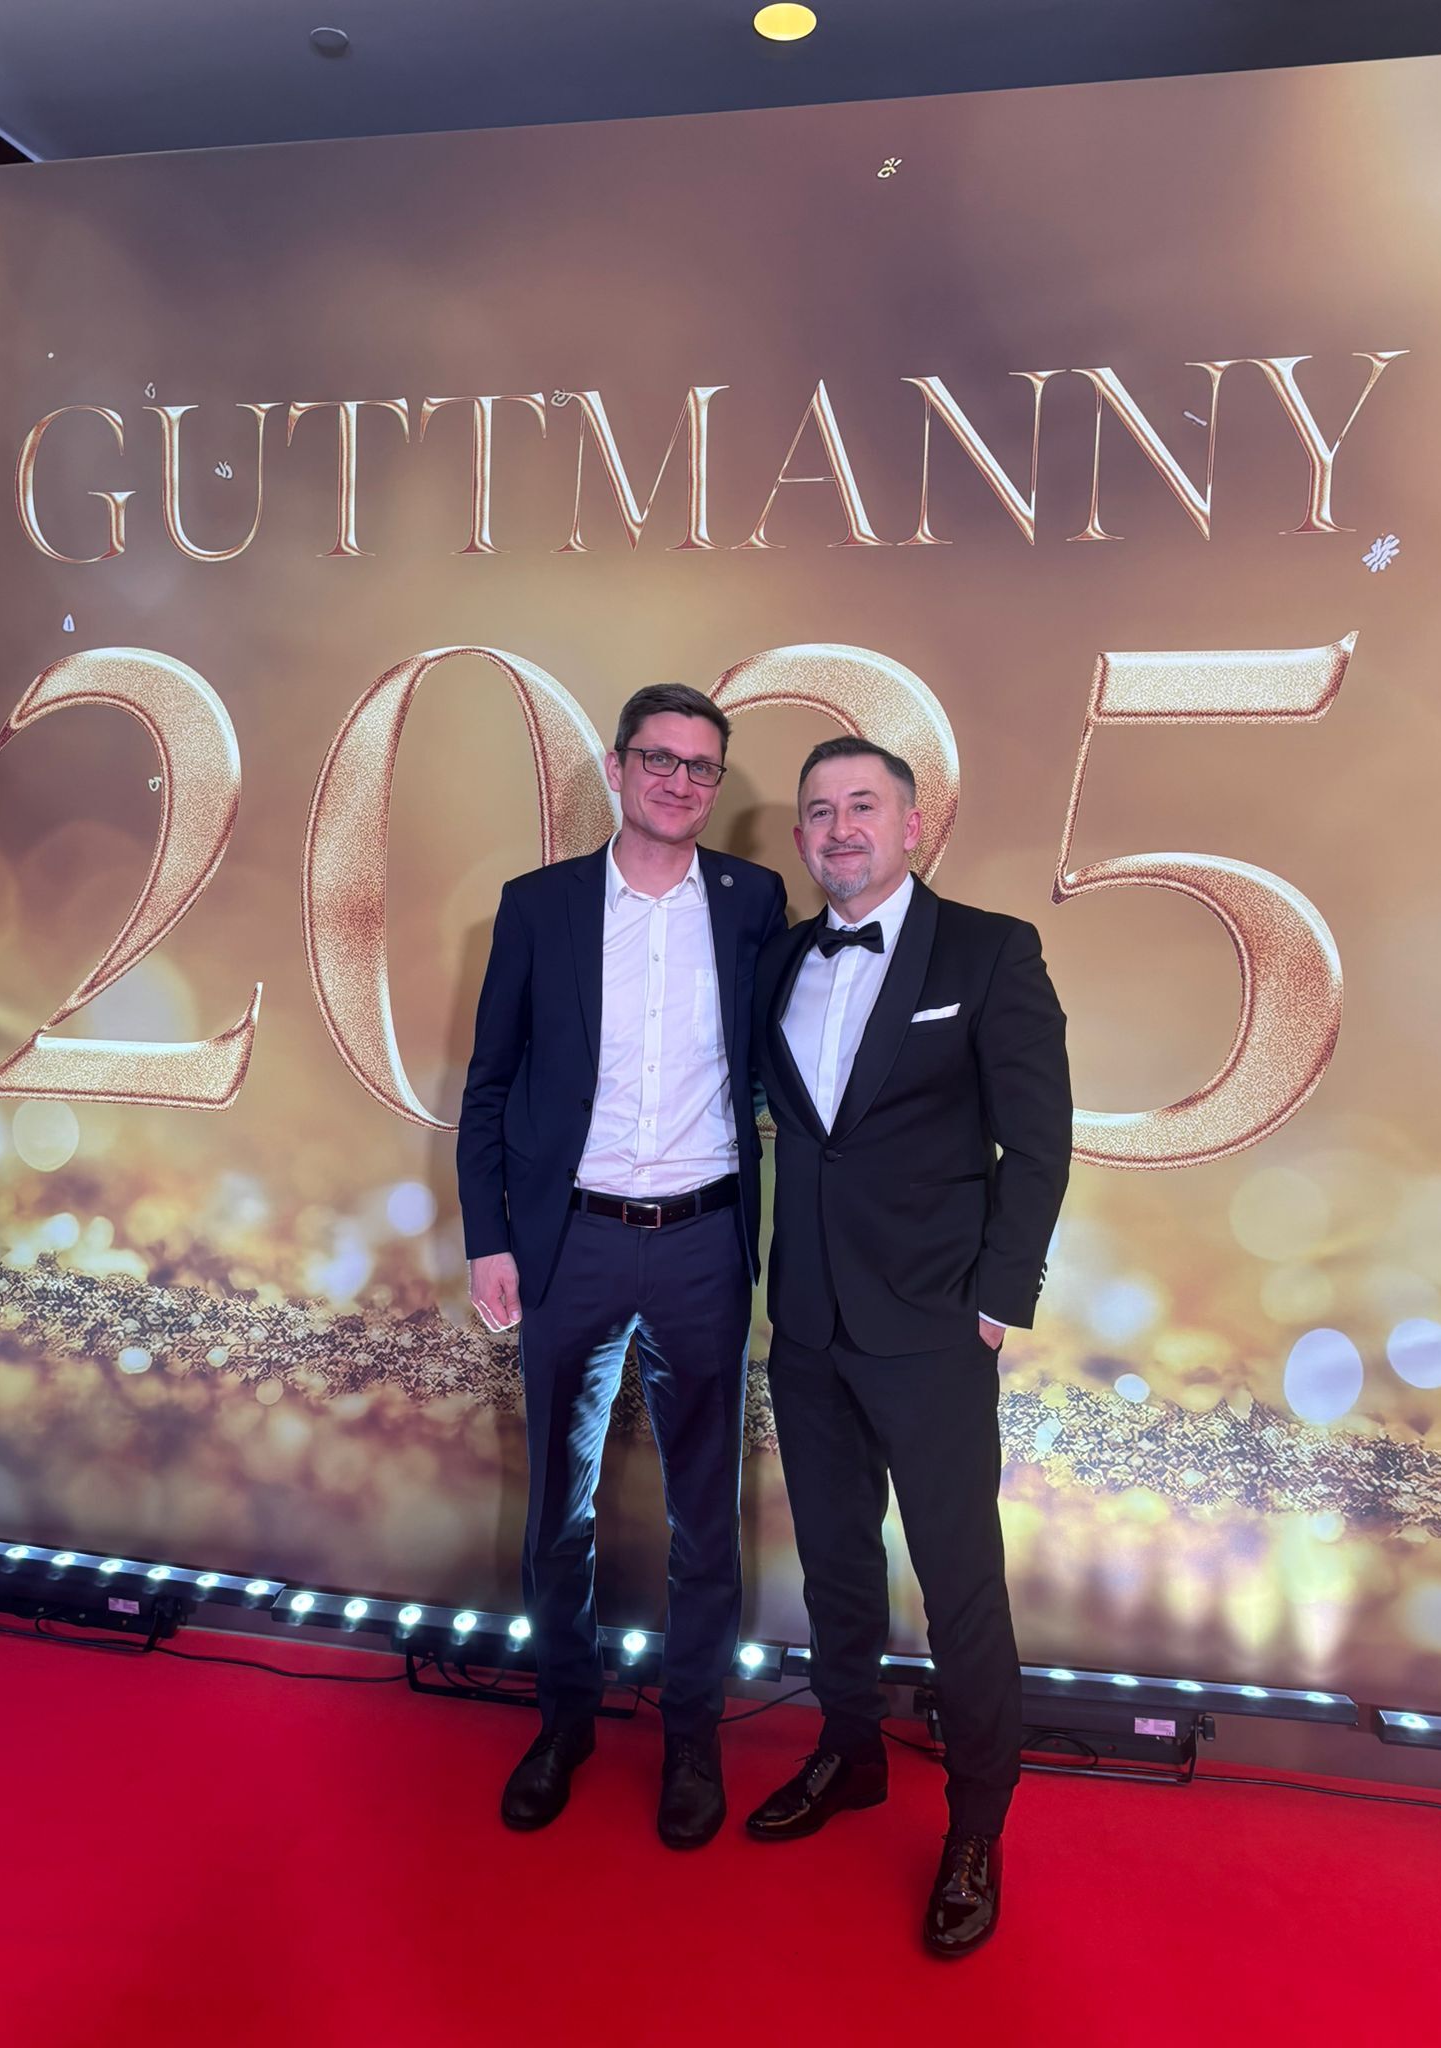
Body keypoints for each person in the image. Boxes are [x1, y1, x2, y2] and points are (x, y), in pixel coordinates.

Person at [745, 735, 1071, 1959]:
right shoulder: (780, 957)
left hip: (933, 1325)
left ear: (912, 823)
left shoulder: (990, 950)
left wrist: (997, 1300)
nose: (841, 828)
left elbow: (1039, 1140)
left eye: (863, 805)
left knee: (960, 1583)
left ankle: (978, 1823)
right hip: (808, 1320)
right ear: (800, 837)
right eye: (820, 811)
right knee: (835, 1561)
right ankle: (849, 1750)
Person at [456, 683, 787, 1849]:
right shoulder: (538, 905)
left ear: (714, 783)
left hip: (703, 1240)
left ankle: (693, 1734)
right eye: (660, 758)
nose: (680, 782)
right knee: (559, 1505)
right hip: (572, 1240)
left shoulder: (753, 901)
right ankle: (564, 1721)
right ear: (616, 765)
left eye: (701, 767)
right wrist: (489, 1235)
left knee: (706, 1514)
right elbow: (489, 1085)